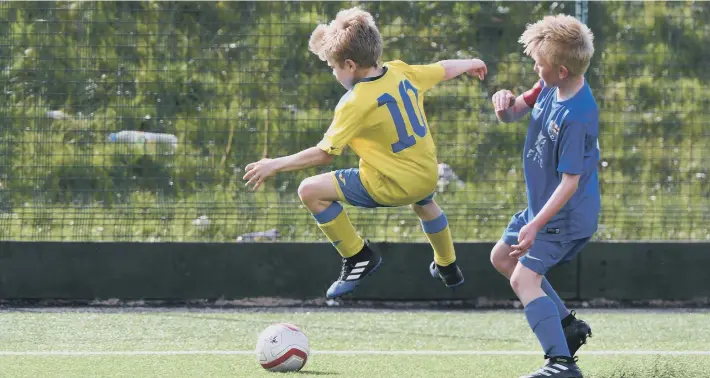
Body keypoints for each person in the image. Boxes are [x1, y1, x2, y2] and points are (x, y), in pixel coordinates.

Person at [243, 6, 487, 299]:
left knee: (310, 190)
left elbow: (324, 153)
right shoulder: (400, 71)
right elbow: (443, 69)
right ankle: (447, 265)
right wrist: (470, 62)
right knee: (424, 203)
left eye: (333, 67)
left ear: (348, 64)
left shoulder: (355, 101)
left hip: (390, 186)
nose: (334, 74)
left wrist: (275, 164)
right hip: (425, 175)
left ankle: (357, 255)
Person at [490, 14, 599, 378]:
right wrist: (504, 104)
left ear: (563, 70)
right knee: (503, 258)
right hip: (541, 209)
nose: (535, 68)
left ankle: (561, 364)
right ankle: (567, 326)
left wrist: (536, 224)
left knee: (523, 279)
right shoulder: (547, 85)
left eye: (540, 63)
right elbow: (515, 112)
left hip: (563, 217)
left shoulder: (577, 115)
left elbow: (570, 182)